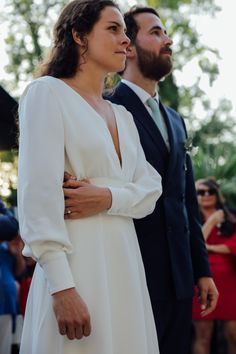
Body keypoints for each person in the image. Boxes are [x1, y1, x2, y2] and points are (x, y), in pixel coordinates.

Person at [63, 5, 219, 354]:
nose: (168, 41)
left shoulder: (176, 120)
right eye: (156, 32)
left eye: (165, 33)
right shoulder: (102, 109)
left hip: (179, 279)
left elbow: (185, 200)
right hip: (125, 270)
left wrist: (201, 269)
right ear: (128, 47)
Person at [17, 1, 162, 354]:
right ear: (79, 36)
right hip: (77, 266)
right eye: (113, 29)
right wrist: (62, 287)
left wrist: (107, 198)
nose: (125, 40)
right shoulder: (47, 93)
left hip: (125, 266)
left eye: (126, 32)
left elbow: (151, 190)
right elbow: (38, 198)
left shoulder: (123, 116)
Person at [192, 178, 236, 354]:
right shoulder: (191, 216)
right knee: (203, 335)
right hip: (202, 281)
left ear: (218, 194)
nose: (206, 195)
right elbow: (193, 244)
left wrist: (208, 247)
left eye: (210, 191)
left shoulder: (232, 217)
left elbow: (233, 246)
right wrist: (210, 223)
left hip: (230, 283)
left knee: (233, 334)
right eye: (201, 192)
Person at [0, 234, 25, 354]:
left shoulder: (8, 247)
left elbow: (19, 272)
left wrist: (18, 254)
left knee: (5, 346)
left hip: (8, 303)